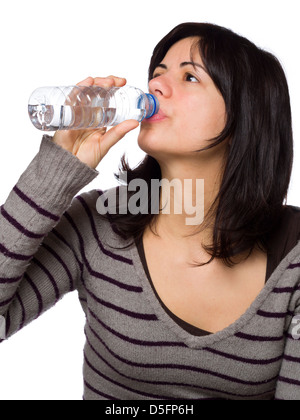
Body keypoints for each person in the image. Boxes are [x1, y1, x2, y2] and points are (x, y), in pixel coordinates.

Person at [0, 22, 299, 400]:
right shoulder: (98, 224)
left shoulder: (294, 257)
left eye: (190, 76)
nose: (155, 86)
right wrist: (58, 169)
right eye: (157, 74)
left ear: (247, 116)